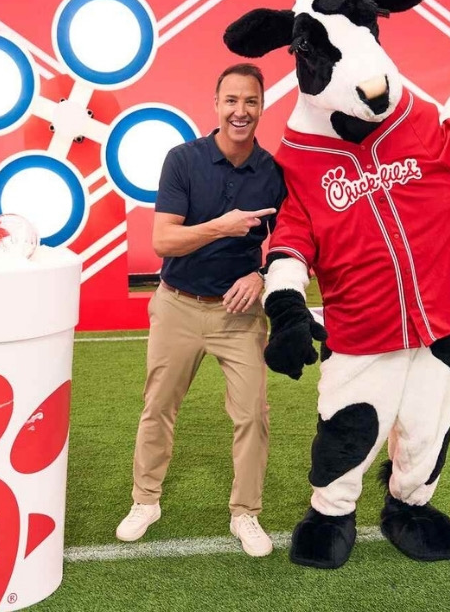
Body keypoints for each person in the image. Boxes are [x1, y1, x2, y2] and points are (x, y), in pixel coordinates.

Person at [115, 63, 286, 557]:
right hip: (178, 307)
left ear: (261, 108)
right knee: (158, 408)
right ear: (216, 105)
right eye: (231, 100)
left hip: (240, 316)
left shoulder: (273, 172)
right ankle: (145, 501)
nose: (240, 111)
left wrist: (260, 275)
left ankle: (245, 514)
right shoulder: (182, 160)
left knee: (253, 414)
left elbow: (295, 244)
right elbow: (162, 239)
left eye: (250, 102)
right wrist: (222, 226)